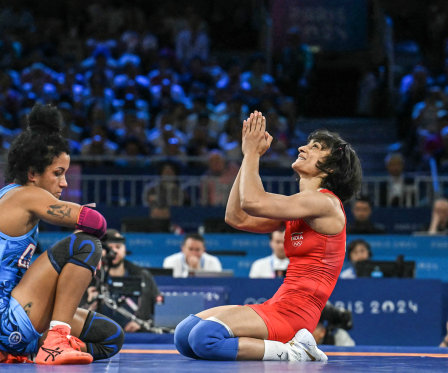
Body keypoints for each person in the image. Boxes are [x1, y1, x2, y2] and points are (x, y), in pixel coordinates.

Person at [173, 111, 362, 362]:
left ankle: (294, 351)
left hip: (296, 315)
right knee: (184, 335)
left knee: (204, 338)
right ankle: (289, 348)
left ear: (331, 167)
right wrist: (248, 157)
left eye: (315, 147)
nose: (303, 148)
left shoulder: (325, 203)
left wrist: (252, 153)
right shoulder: (302, 207)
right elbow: (237, 217)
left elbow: (253, 202)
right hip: (278, 304)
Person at [0, 104, 123, 365]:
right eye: (58, 173)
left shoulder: (8, 198)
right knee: (86, 245)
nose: (64, 183)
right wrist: (83, 225)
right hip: (6, 319)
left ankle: (20, 351)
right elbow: (95, 222)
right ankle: (55, 342)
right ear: (32, 173)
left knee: (110, 337)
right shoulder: (25, 195)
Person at [84, 229, 161, 332]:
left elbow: (156, 308)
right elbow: (77, 312)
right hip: (100, 333)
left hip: (135, 335)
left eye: (118, 247)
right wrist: (89, 303)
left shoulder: (142, 275)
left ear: (124, 250)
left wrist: (140, 323)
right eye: (110, 248)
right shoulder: (90, 276)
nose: (114, 251)